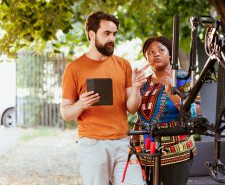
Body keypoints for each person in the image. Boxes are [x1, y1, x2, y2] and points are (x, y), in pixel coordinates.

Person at [60, 10, 148, 185]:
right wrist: (82, 103)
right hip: (92, 145)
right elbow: (66, 113)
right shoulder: (74, 69)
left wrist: (137, 88)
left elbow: (131, 108)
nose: (112, 39)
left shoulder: (123, 64)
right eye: (106, 33)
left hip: (123, 142)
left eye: (114, 34)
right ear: (91, 34)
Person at [133, 36, 200, 185]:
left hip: (177, 150)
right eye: (150, 52)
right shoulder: (143, 84)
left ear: (170, 54)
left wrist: (172, 92)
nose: (156, 54)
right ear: (146, 58)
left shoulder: (183, 78)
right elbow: (140, 115)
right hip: (147, 151)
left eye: (161, 50)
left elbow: (195, 111)